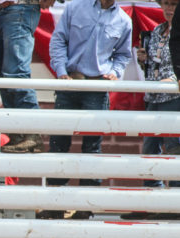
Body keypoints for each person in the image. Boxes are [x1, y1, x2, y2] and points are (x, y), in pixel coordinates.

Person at [37, 0, 132, 220]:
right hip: (70, 82)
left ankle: (85, 206)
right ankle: (56, 204)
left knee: (92, 147)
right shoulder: (74, 7)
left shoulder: (124, 21)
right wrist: (61, 71)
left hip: (97, 86)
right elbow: (59, 39)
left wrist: (115, 71)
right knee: (59, 143)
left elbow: (123, 55)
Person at [122, 0, 180, 221]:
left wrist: (172, 79)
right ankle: (151, 200)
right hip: (154, 95)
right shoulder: (157, 30)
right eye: (166, 4)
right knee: (149, 148)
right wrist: (145, 60)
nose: (169, 9)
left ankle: (175, 202)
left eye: (174, 4)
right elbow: (156, 64)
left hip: (174, 96)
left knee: (174, 149)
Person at [0, 0, 56, 153]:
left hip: (19, 7)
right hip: (6, 9)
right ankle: (18, 133)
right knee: (5, 76)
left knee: (15, 73)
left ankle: (31, 134)